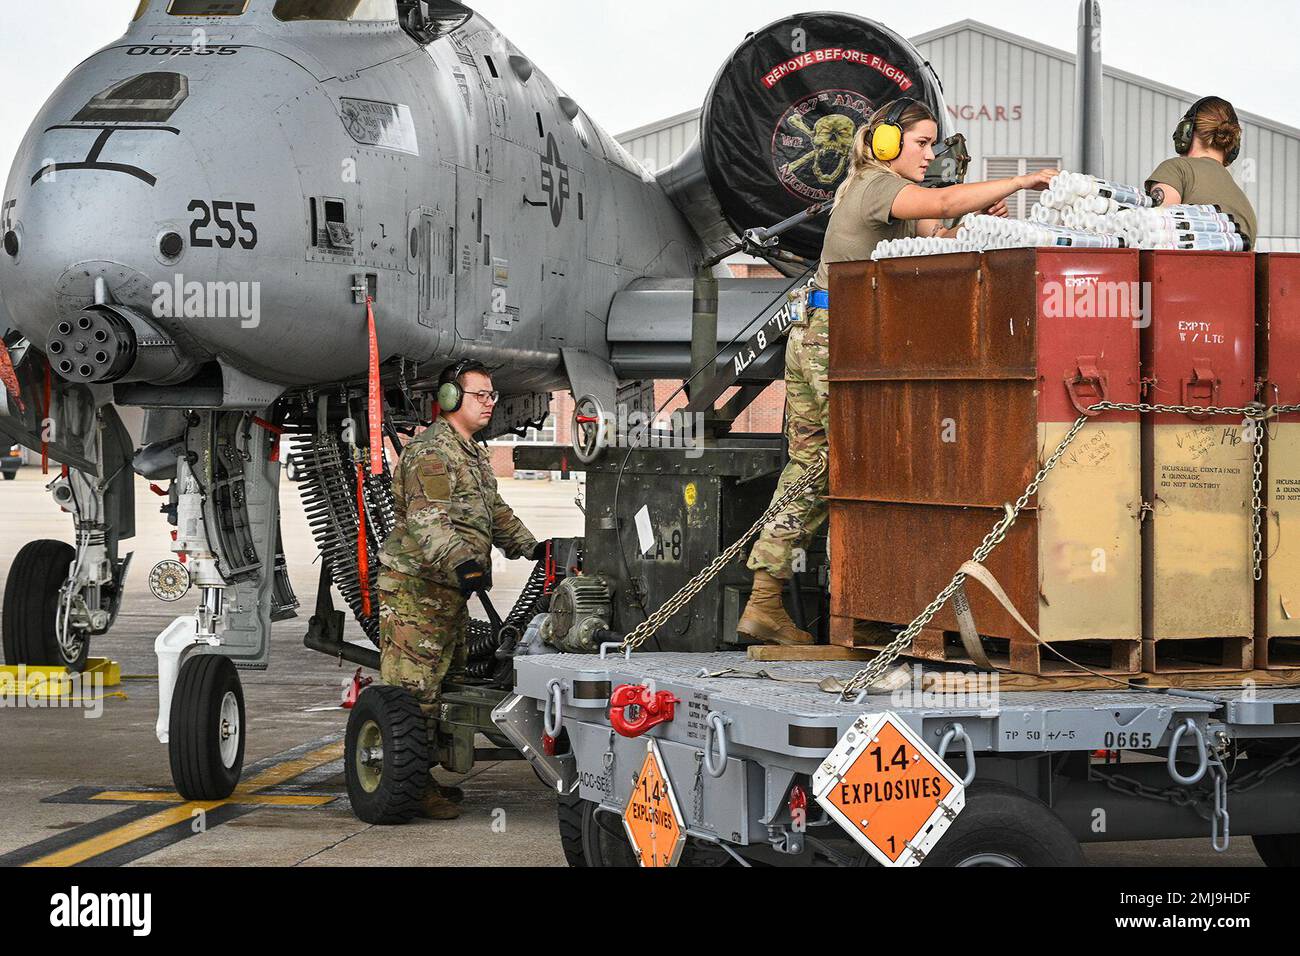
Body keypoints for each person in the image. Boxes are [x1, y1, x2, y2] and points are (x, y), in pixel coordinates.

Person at [739, 97, 1056, 645]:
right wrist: (1019, 183)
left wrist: (965, 221)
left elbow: (929, 238)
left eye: (934, 144)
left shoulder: (862, 186)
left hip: (817, 335)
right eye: (922, 143)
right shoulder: (876, 185)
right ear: (887, 142)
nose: (931, 154)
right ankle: (870, 599)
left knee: (812, 469)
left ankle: (767, 599)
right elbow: (944, 200)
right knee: (865, 467)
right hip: (836, 340)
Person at [376, 359, 545, 818]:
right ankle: (406, 787)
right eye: (480, 396)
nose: (490, 403)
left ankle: (420, 777)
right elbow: (429, 522)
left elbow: (495, 511)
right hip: (416, 591)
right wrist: (464, 564)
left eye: (493, 395)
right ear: (450, 399)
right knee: (413, 694)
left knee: (444, 687)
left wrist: (533, 549)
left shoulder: (470, 452)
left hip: (446, 591)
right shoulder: (432, 452)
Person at [1144, 96, 1256, 247]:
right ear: (1233, 149)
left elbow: (1153, 237)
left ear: (1185, 131)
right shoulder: (1245, 206)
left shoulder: (1176, 170)